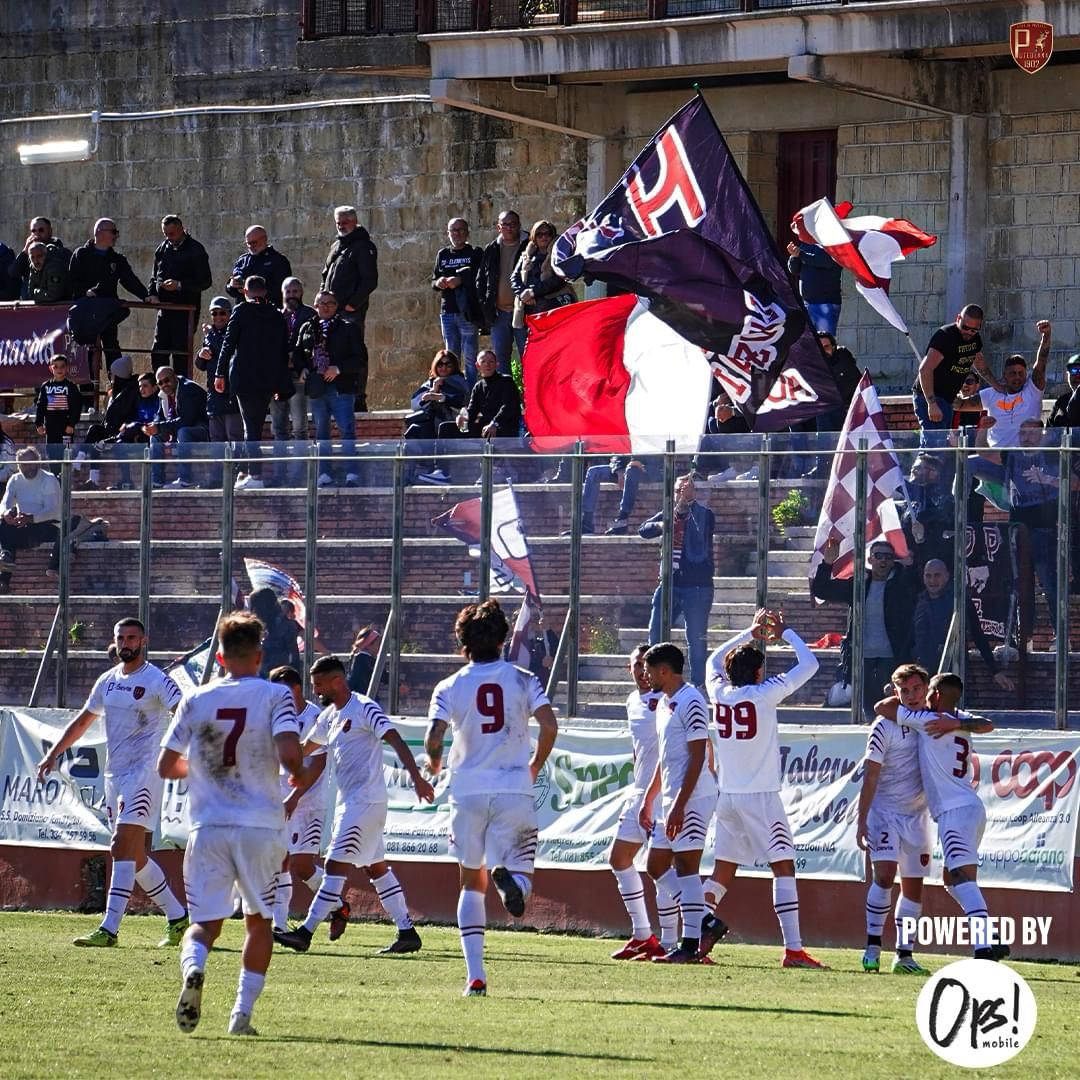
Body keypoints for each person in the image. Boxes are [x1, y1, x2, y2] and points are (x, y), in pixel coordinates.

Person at [157, 611, 304, 1036]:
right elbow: (292, 756)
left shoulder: (197, 698)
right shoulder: (275, 696)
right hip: (260, 825)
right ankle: (240, 1016)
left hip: (209, 826)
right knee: (258, 922)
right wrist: (300, 771)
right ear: (259, 655)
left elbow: (167, 765)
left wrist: (204, 769)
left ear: (220, 657)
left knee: (204, 924)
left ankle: (195, 968)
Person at [425, 599, 558, 996]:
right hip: (513, 786)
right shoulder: (522, 678)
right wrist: (534, 764)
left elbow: (434, 738)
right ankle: (513, 880)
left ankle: (475, 977)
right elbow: (549, 726)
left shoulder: (449, 686)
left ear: (461, 641)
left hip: (466, 790)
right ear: (503, 639)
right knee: (523, 872)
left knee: (469, 882)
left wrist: (435, 764)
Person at [36, 617, 188, 949]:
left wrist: (179, 751)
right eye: (121, 637)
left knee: (120, 846)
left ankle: (109, 929)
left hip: (145, 774)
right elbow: (82, 721)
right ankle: (178, 918)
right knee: (134, 856)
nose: (126, 643)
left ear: (144, 641)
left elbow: (183, 712)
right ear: (115, 640)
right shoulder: (107, 681)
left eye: (132, 637)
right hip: (114, 777)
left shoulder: (157, 681)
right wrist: (54, 755)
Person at [274, 655, 434, 954]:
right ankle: (407, 931)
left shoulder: (363, 708)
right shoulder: (328, 716)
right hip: (352, 803)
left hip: (365, 802)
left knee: (335, 865)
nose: (317, 691)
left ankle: (305, 933)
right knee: (376, 868)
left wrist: (417, 778)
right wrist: (293, 767)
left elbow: (395, 739)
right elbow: (308, 747)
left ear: (337, 681)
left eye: (320, 684)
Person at [703, 609, 826, 969]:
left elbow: (711, 659)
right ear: (758, 673)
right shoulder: (764, 694)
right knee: (783, 867)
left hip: (727, 797)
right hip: (760, 796)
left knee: (722, 872)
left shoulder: (719, 692)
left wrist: (749, 632)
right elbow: (810, 665)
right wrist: (785, 632)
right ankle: (793, 949)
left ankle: (693, 938)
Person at [874, 671, 1002, 961]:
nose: (924, 697)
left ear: (936, 696)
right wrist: (956, 722)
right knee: (952, 879)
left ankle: (984, 948)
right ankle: (990, 934)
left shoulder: (928, 721)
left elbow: (881, 708)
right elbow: (988, 724)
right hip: (971, 809)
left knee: (961, 878)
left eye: (927, 691)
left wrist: (901, 699)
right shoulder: (961, 718)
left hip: (954, 812)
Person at [637, 641, 722, 964]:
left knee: (687, 868)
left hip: (695, 798)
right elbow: (665, 755)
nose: (644, 675)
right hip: (671, 797)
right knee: (656, 865)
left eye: (648, 669)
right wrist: (651, 796)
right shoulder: (663, 703)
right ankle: (706, 922)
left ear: (664, 670)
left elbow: (699, 754)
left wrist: (680, 804)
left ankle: (689, 946)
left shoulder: (692, 701)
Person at [856, 663, 935, 975]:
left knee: (914, 887)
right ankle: (872, 947)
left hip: (918, 816)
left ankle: (904, 956)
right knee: (885, 876)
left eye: (917, 689)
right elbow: (870, 776)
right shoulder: (883, 725)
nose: (912, 695)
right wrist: (862, 819)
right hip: (885, 813)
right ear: (896, 692)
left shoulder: (933, 721)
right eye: (905, 690)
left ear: (927, 689)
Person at [811, 536, 919, 720]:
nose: (883, 560)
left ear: (893, 561)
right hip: (863, 657)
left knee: (895, 705)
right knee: (868, 707)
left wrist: (910, 567)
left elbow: (921, 586)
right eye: (879, 556)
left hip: (892, 657)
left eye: (888, 557)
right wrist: (827, 563)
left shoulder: (902, 585)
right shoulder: (859, 584)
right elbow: (822, 590)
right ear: (870, 560)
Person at [608, 646, 670, 960]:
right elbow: (639, 750)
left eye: (645, 667)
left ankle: (693, 932)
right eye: (636, 666)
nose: (640, 673)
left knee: (660, 869)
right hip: (638, 793)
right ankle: (644, 935)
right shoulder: (632, 701)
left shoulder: (668, 701)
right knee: (619, 858)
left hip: (661, 796)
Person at [215, 275, 292, 490]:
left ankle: (255, 475)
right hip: (268, 380)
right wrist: (280, 382)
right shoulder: (276, 315)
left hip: (245, 379)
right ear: (265, 291)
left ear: (245, 292)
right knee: (255, 425)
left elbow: (228, 345)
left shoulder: (241, 311)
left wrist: (219, 374)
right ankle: (248, 470)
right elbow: (283, 351)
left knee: (251, 428)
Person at [267, 666, 328, 935]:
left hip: (308, 802)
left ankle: (335, 905)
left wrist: (294, 796)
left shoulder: (315, 717)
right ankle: (278, 924)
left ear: (296, 689)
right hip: (280, 799)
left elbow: (318, 763)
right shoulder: (273, 716)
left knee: (301, 866)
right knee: (281, 860)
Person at [639, 475, 715, 689]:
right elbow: (643, 530)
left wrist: (686, 506)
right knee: (656, 633)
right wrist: (663, 523)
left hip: (697, 587)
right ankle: (656, 680)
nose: (684, 490)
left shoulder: (704, 515)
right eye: (680, 487)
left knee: (696, 638)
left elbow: (700, 532)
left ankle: (699, 684)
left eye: (688, 487)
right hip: (669, 584)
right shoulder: (668, 514)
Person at [420, 349, 521, 484]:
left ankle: (495, 470)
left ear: (497, 364)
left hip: (504, 426)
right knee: (446, 428)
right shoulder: (478, 386)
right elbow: (472, 410)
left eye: (491, 362)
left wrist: (495, 423)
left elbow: (509, 406)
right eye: (483, 362)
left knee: (489, 431)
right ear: (477, 366)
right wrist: (463, 417)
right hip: (485, 427)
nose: (488, 365)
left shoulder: (506, 381)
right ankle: (441, 472)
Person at [294, 290, 363, 489]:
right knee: (321, 433)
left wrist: (338, 368)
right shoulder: (307, 327)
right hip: (317, 388)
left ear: (336, 306)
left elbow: (360, 359)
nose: (325, 306)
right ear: (315, 306)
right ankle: (324, 473)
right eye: (321, 303)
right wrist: (303, 369)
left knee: (346, 430)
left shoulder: (348, 328)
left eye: (330, 303)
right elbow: (298, 354)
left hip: (341, 387)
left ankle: (351, 473)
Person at [911, 559, 1014, 689]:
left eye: (937, 575)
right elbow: (909, 638)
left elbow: (978, 635)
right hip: (923, 672)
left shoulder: (959, 601)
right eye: (928, 576)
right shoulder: (918, 602)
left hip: (951, 670)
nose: (932, 581)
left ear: (947, 576)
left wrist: (995, 670)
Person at [954, 320, 1051, 447]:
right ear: (1004, 376)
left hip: (1024, 455)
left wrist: (1046, 335)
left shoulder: (1033, 390)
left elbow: (1041, 361)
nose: (1017, 377)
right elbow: (959, 405)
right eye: (1012, 373)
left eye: (1020, 373)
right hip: (996, 456)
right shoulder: (992, 394)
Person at [67, 218, 151, 367]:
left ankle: (116, 383)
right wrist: (86, 292)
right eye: (113, 232)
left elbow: (129, 280)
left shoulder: (116, 259)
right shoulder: (81, 254)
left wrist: (147, 296)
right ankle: (89, 387)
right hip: (86, 311)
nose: (116, 236)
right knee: (88, 350)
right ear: (99, 233)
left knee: (111, 346)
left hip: (107, 310)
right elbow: (71, 281)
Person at [322, 205, 377, 410]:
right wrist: (323, 299)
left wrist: (353, 304)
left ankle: (357, 398)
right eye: (338, 222)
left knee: (354, 353)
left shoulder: (363, 247)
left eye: (345, 222)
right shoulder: (337, 246)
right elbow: (325, 274)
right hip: (330, 311)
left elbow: (369, 280)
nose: (341, 226)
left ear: (354, 222)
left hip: (350, 312)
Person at [148, 215, 213, 378]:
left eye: (172, 234)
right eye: (166, 234)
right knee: (158, 354)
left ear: (181, 229)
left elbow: (205, 281)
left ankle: (181, 397)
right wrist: (153, 294)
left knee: (181, 357)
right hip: (164, 311)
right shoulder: (163, 248)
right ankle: (160, 393)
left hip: (185, 313)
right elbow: (154, 276)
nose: (169, 238)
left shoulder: (195, 250)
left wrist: (179, 285)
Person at [913, 304, 987, 438]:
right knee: (934, 445)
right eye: (965, 327)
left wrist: (998, 386)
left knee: (942, 444)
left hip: (948, 399)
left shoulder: (975, 340)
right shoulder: (946, 336)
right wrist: (932, 403)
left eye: (974, 330)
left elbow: (981, 366)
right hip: (932, 396)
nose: (969, 333)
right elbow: (925, 369)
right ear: (958, 318)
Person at [194, 297, 243, 487]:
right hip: (214, 395)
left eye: (222, 313)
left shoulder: (234, 330)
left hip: (231, 393)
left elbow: (226, 348)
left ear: (229, 314)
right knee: (216, 439)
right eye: (214, 313)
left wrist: (210, 337)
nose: (218, 317)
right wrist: (201, 355)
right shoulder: (210, 335)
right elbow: (201, 365)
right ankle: (217, 477)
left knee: (234, 436)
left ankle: (237, 473)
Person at [272, 278, 317, 485]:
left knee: (299, 428)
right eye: (288, 291)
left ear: (302, 292)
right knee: (279, 429)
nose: (292, 295)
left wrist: (306, 367)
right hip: (278, 378)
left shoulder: (311, 315)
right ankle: (279, 475)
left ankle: (300, 475)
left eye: (296, 291)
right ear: (283, 293)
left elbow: (317, 346)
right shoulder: (274, 316)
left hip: (299, 377)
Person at [0, 447, 62, 594]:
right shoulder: (14, 480)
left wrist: (31, 518)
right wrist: (6, 513)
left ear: (38, 463)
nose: (27, 468)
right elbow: (4, 503)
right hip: (25, 526)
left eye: (30, 464)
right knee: (3, 525)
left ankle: (4, 577)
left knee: (9, 534)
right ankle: (5, 562)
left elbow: (52, 510)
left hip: (47, 527)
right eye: (23, 465)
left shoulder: (49, 479)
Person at [403, 349, 469, 482]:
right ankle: (412, 474)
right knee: (413, 430)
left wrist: (441, 397)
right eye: (440, 364)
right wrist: (433, 391)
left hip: (452, 425)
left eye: (448, 364)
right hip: (430, 424)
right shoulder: (430, 383)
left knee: (441, 428)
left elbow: (464, 401)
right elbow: (415, 404)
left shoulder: (459, 382)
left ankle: (439, 472)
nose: (443, 367)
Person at [476, 210, 528, 376]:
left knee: (527, 357)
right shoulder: (492, 249)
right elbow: (481, 280)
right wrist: (486, 306)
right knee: (500, 361)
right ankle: (505, 399)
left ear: (519, 225)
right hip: (499, 314)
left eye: (513, 224)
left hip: (524, 313)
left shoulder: (528, 246)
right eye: (505, 224)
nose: (510, 228)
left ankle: (529, 400)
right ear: (499, 227)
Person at [432, 218, 483, 385]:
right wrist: (439, 283)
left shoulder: (475, 253)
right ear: (447, 233)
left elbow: (481, 279)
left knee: (470, 357)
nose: (457, 233)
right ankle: (454, 393)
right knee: (449, 358)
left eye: (461, 230)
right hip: (447, 311)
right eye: (453, 230)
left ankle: (471, 396)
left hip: (467, 311)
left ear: (467, 232)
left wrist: (461, 279)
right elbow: (434, 280)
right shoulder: (443, 254)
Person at [144, 366, 209, 490]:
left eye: (167, 380)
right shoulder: (163, 394)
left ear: (175, 377)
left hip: (202, 429)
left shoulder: (188, 389)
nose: (164, 385)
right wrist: (154, 426)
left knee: (183, 432)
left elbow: (187, 420)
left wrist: (160, 427)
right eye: (160, 383)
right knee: (155, 437)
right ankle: (156, 481)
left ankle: (186, 480)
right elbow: (159, 416)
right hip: (180, 430)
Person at [510, 220, 573, 331]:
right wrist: (523, 294)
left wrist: (533, 292)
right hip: (528, 308)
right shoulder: (527, 255)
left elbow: (559, 279)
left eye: (547, 234)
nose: (544, 237)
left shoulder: (560, 254)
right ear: (534, 237)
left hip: (553, 306)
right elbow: (515, 277)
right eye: (539, 234)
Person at [34, 353, 83, 467]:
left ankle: (65, 482)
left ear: (66, 368)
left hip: (66, 428)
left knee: (66, 455)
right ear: (51, 368)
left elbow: (77, 406)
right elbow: (40, 405)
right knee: (52, 456)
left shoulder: (71, 386)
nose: (59, 369)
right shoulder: (46, 386)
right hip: (50, 428)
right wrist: (38, 423)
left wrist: (71, 423)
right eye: (56, 366)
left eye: (62, 366)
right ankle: (55, 481)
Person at [227, 225, 292, 308]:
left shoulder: (278, 261)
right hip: (245, 311)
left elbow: (281, 290)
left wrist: (253, 291)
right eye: (248, 243)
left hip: (268, 310)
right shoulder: (242, 260)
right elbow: (230, 288)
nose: (251, 246)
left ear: (264, 239)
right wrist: (232, 285)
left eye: (254, 243)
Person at [786, 239, 842, 334]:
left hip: (825, 304)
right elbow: (794, 270)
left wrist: (800, 254)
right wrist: (794, 256)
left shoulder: (832, 242)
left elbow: (826, 261)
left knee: (824, 342)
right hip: (807, 304)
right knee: (808, 344)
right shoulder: (805, 244)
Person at [247, 587, 301, 677]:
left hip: (277, 675)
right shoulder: (250, 626)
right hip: (255, 675)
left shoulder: (286, 625)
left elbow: (293, 654)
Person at [10, 216, 68, 297]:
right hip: (30, 302)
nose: (37, 234)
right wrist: (25, 252)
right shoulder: (28, 253)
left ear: (50, 231)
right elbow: (13, 273)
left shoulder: (59, 253)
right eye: (33, 231)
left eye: (41, 230)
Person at [1047, 353, 1080, 428]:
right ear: (1067, 375)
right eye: (1073, 371)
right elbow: (1050, 431)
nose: (1078, 376)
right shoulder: (1061, 402)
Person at [347, 624, 381, 696]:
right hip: (363, 697)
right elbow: (382, 674)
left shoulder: (357, 657)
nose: (380, 647)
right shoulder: (365, 659)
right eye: (378, 643)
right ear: (369, 645)